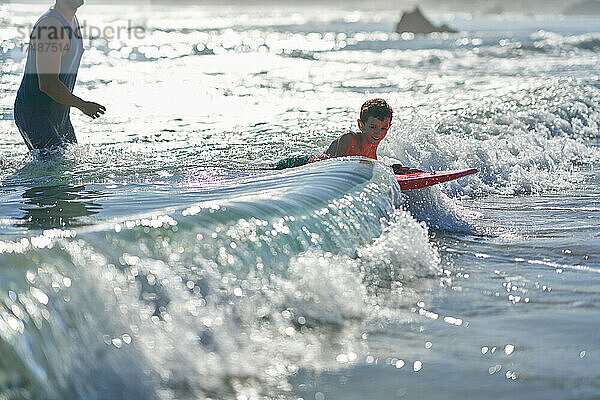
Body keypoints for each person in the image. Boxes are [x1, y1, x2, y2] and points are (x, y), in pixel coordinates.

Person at [14, 0, 106, 151]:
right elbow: (48, 83)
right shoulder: (50, 26)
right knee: (53, 168)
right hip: (35, 113)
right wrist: (83, 105)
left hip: (60, 114)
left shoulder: (72, 20)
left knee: (69, 168)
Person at [274, 98, 421, 174]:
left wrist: (391, 169)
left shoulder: (372, 148)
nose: (378, 133)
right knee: (267, 170)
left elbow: (369, 168)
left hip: (309, 169)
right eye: (373, 127)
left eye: (383, 128)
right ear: (360, 125)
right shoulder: (349, 139)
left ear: (389, 127)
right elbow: (336, 169)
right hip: (299, 164)